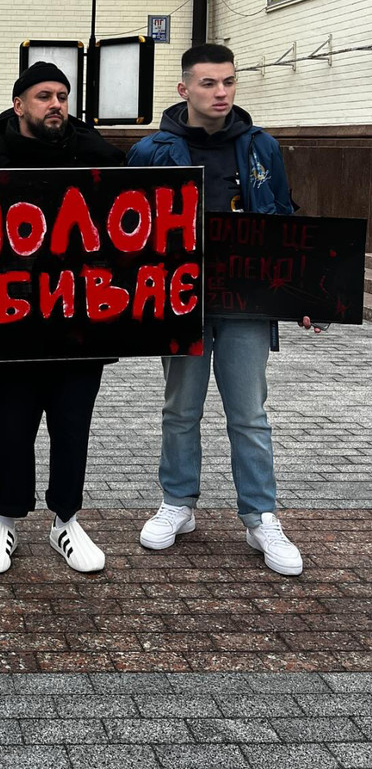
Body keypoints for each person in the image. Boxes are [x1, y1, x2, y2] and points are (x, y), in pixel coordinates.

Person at [128, 43, 321, 576]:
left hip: (245, 302)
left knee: (250, 414)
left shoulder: (262, 148)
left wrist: (300, 295)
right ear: (183, 88)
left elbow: (283, 221)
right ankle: (177, 503)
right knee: (180, 409)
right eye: (209, 83)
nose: (220, 93)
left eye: (228, 83)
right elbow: (125, 232)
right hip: (180, 300)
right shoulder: (152, 151)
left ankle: (260, 516)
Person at [0, 61, 124, 575]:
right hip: (7, 320)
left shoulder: (101, 159)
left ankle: (66, 520)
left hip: (80, 319)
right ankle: (5, 518)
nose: (56, 104)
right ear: (19, 105)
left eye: (62, 95)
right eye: (43, 96)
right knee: (10, 426)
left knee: (72, 424)